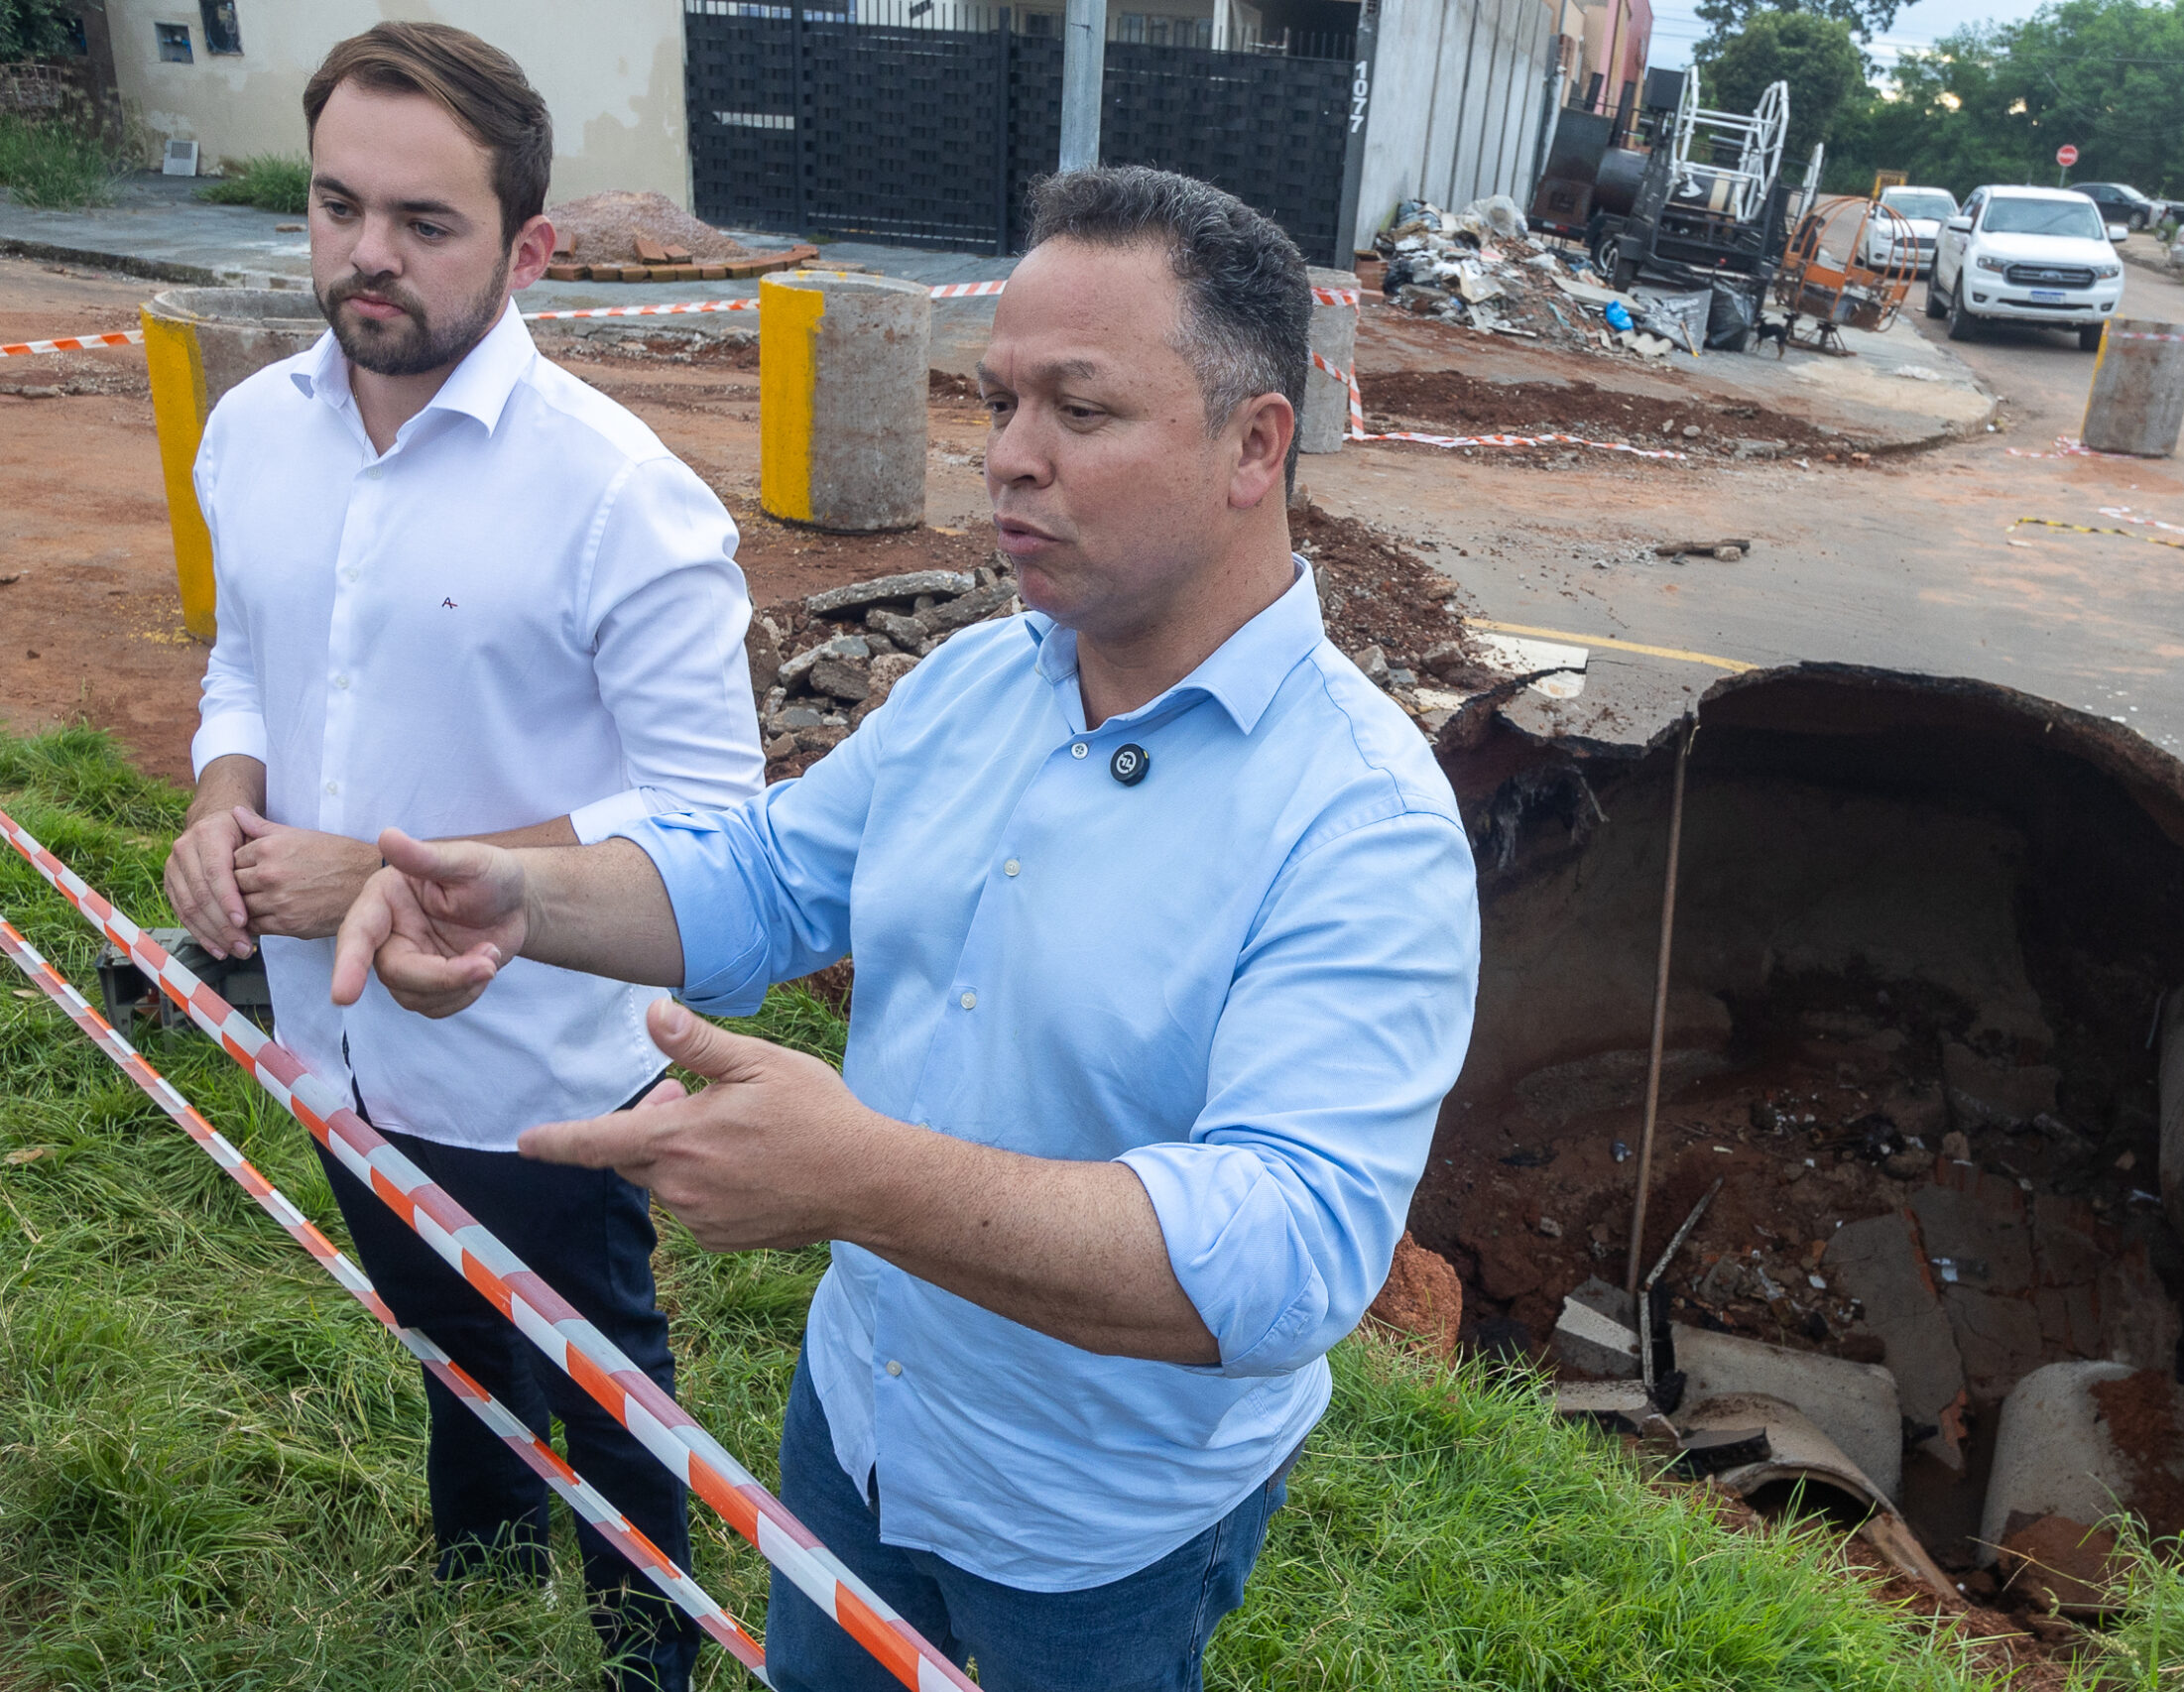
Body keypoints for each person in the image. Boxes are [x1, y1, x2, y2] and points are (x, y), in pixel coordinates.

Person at [329, 166, 1482, 1691]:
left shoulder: (1365, 822)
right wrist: (520, 894)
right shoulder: (976, 686)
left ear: (1254, 444)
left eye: (1079, 410)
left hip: (1098, 1528)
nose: (1009, 458)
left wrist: (862, 1176)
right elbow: (766, 879)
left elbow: (1289, 1256)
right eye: (999, 400)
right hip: (859, 1421)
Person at [161, 23, 763, 1690]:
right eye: (338, 206)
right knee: (436, 1323)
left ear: (531, 247)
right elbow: (244, 659)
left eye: (425, 222)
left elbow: (715, 821)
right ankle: (481, 1567)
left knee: (598, 1362)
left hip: (536, 1066)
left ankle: (655, 1643)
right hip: (327, 1037)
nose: (367, 254)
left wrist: (379, 860)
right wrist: (224, 799)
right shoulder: (253, 436)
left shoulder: (623, 502)